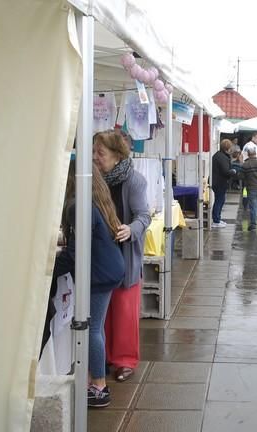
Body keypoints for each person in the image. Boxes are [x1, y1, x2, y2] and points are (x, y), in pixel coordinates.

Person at [54, 163, 125, 407]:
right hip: (110, 269)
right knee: (97, 328)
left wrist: (47, 270)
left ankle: (99, 386)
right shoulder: (98, 201)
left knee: (92, 329)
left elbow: (75, 253)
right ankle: (94, 378)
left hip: (98, 274)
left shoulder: (78, 206)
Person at [92, 130, 151, 383]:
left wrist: (131, 229)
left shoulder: (134, 180)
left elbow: (144, 216)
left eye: (100, 153)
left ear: (117, 156)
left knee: (124, 312)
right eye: (93, 152)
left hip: (124, 254)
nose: (95, 157)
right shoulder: (92, 178)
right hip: (100, 254)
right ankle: (102, 357)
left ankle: (124, 360)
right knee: (101, 314)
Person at [211, 139, 237, 227]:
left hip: (217, 182)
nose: (231, 149)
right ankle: (216, 220)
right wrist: (233, 171)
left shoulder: (218, 155)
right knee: (219, 201)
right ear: (227, 148)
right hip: (220, 182)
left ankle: (217, 218)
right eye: (230, 147)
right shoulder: (223, 157)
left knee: (220, 200)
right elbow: (225, 171)